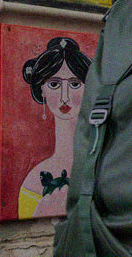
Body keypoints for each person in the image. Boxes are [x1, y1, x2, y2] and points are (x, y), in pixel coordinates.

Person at [18, 37, 91, 219]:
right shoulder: (33, 182)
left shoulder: (104, 164)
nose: (64, 97)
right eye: (54, 84)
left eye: (74, 84)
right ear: (42, 89)